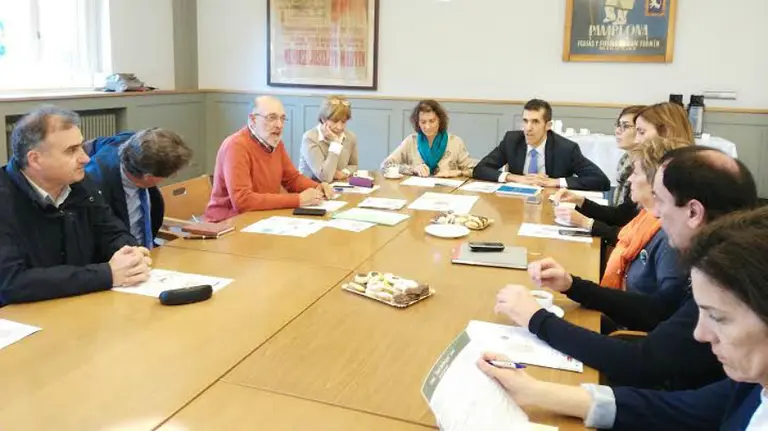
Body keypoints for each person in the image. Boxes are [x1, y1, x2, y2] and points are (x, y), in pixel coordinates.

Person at [488, 147, 757, 390]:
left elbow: (643, 363)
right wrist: (574, 285)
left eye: (660, 201)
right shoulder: (720, 259)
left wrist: (536, 319)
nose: (656, 213)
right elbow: (659, 310)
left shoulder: (727, 282)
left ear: (694, 212)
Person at [478, 206, 768, 430]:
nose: (700, 334)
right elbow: (679, 408)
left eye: (719, 317)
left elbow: (646, 359)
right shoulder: (752, 385)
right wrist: (535, 391)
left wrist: (539, 320)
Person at [0, 106, 151, 305]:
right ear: (35, 159)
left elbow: (111, 231)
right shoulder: (5, 199)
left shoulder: (79, 182)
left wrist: (131, 253)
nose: (85, 158)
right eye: (71, 150)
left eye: (81, 146)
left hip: (78, 304)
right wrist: (106, 274)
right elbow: (12, 283)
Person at [555, 102, 695, 244]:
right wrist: (580, 201)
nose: (636, 139)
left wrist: (587, 223)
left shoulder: (670, 182)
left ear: (665, 132)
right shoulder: (639, 165)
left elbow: (633, 236)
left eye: (641, 132)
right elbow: (623, 215)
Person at [204, 96, 334, 222]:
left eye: (282, 119)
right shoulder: (236, 146)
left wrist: (318, 187)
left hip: (261, 218)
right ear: (253, 120)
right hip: (227, 224)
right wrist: (298, 200)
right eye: (271, 118)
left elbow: (292, 179)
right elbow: (242, 200)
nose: (279, 125)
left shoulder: (275, 143)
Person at [596, 137, 689, 295]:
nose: (630, 179)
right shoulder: (645, 217)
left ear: (657, 180)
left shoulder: (667, 237)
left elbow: (660, 308)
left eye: (636, 173)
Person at [85, 128, 193, 248]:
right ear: (148, 176)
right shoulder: (95, 187)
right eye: (168, 176)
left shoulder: (134, 142)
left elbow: (91, 144)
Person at [473, 99, 610, 191]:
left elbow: (601, 181)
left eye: (535, 122)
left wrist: (555, 182)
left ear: (548, 125)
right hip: (515, 203)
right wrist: (514, 178)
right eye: (525, 121)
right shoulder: (512, 140)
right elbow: (480, 169)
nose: (528, 128)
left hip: (550, 204)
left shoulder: (566, 148)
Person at [380, 100, 476, 178]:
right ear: (417, 123)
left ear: (440, 120)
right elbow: (385, 166)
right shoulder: (411, 141)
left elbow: (474, 170)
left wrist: (458, 172)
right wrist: (412, 169)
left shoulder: (455, 142)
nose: (428, 126)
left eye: (432, 121)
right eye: (423, 122)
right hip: (414, 193)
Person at [298, 95, 359, 183]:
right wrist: (336, 143)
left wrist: (344, 172)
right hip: (311, 189)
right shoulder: (310, 138)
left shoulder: (350, 137)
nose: (339, 127)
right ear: (323, 119)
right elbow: (325, 177)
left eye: (343, 122)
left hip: (339, 188)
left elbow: (354, 165)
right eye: (335, 121)